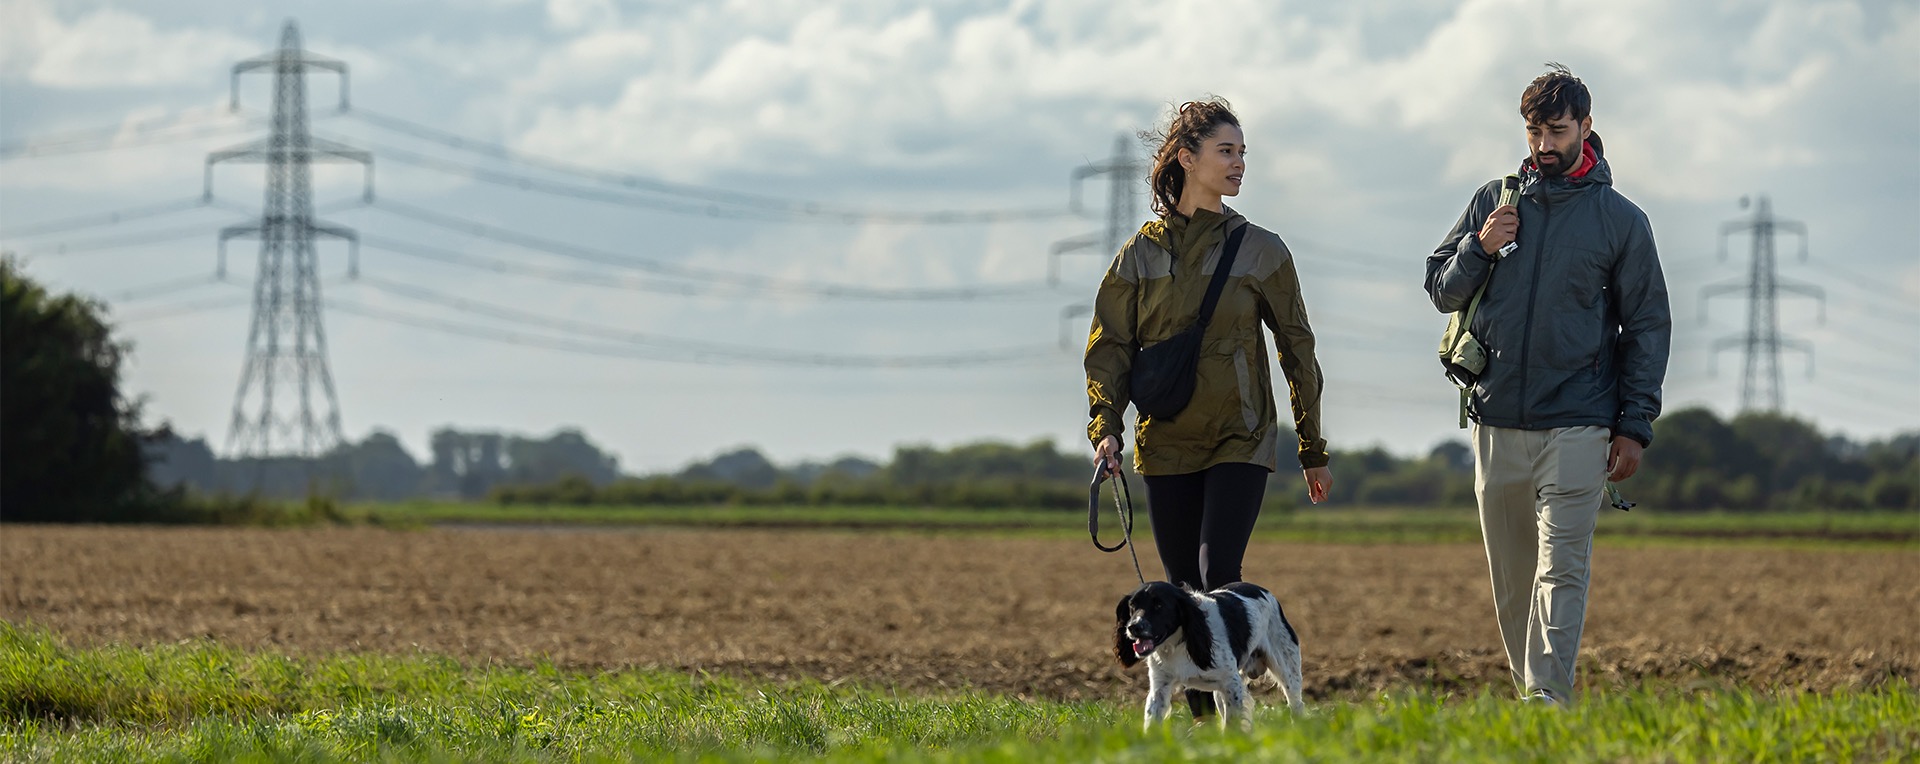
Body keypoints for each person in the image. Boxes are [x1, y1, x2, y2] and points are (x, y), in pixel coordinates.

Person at [1423, 64, 1671, 706]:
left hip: (1580, 422)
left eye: (1556, 130)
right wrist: (1480, 248)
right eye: (1534, 131)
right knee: (1512, 582)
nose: (1542, 144)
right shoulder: (1492, 202)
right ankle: (1533, 697)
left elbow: (1646, 326)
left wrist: (1634, 425)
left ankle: (1548, 702)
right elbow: (1439, 288)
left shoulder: (1622, 222)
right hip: (1496, 419)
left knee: (1562, 569)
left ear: (1586, 129)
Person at [1083, 98, 1334, 722]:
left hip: (1241, 435)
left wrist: (1311, 446)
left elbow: (1297, 350)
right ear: (1186, 159)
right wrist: (1105, 428)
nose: (1240, 163)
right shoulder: (1137, 256)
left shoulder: (1263, 250)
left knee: (1216, 572)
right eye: (1227, 151)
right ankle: (1200, 726)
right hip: (1163, 440)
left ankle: (1231, 717)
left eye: (1243, 152)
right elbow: (1109, 347)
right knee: (1177, 589)